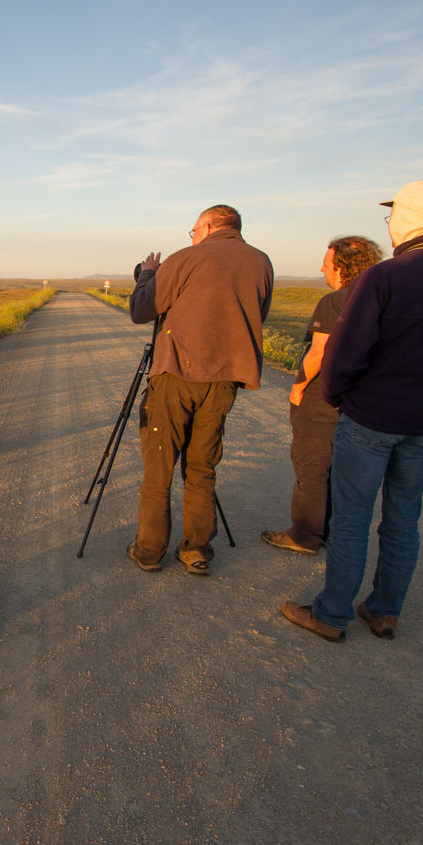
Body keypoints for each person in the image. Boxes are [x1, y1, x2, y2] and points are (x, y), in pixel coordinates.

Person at [281, 179, 423, 641]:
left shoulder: (385, 277)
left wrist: (341, 398)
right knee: (402, 518)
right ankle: (384, 610)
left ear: (405, 218)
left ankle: (331, 614)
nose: (390, 223)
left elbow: (342, 357)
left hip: (371, 419)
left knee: (354, 518)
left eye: (391, 214)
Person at [127, 205, 273, 576]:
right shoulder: (261, 262)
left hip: (176, 375)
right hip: (225, 381)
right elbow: (259, 313)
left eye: (192, 230)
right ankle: (196, 551)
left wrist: (147, 276)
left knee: (160, 465)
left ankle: (149, 550)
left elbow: (142, 310)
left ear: (207, 227)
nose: (191, 236)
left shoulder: (186, 258)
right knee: (202, 466)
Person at [262, 236, 383, 555]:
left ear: (342, 266)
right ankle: (327, 530)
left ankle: (305, 535)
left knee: (312, 465)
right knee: (338, 469)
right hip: (359, 400)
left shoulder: (334, 302)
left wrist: (298, 387)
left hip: (322, 398)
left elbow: (319, 353)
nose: (321, 269)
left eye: (326, 264)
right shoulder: (380, 297)